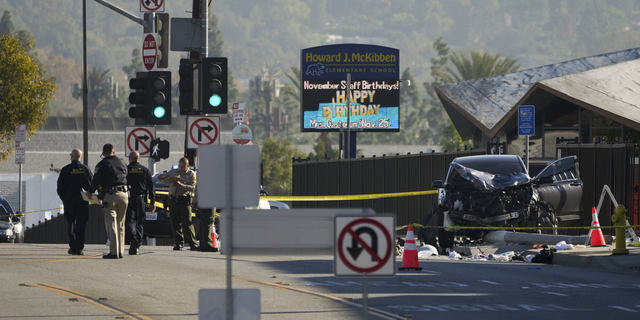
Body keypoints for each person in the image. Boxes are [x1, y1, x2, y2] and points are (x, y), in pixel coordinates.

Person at [87, 144, 129, 259]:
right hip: (124, 194)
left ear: (103, 153)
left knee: (112, 223)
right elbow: (127, 176)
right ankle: (121, 251)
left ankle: (114, 252)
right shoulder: (122, 162)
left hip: (110, 196)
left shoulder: (102, 164)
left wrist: (90, 192)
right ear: (113, 152)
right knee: (121, 224)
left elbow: (96, 181)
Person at [57, 149, 93, 255]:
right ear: (80, 157)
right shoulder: (86, 169)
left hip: (69, 200)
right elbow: (91, 185)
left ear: (72, 156)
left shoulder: (65, 170)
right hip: (82, 200)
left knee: (71, 223)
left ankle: (73, 247)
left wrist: (64, 198)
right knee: (81, 223)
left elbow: (60, 187)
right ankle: (79, 247)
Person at [158, 157, 197, 251]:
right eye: (179, 166)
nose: (180, 168)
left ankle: (193, 243)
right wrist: (161, 177)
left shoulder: (191, 174)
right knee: (175, 223)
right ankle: (179, 243)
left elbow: (192, 188)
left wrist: (180, 185)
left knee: (188, 223)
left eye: (183, 167)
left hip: (184, 201)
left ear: (187, 166)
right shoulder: (173, 172)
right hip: (173, 201)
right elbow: (163, 179)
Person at [125, 151, 155, 255]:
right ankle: (137, 242)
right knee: (140, 221)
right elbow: (151, 187)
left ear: (129, 159)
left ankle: (133, 239)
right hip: (142, 199)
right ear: (139, 158)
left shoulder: (126, 170)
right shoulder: (145, 170)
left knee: (129, 220)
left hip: (129, 197)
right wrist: (153, 202)